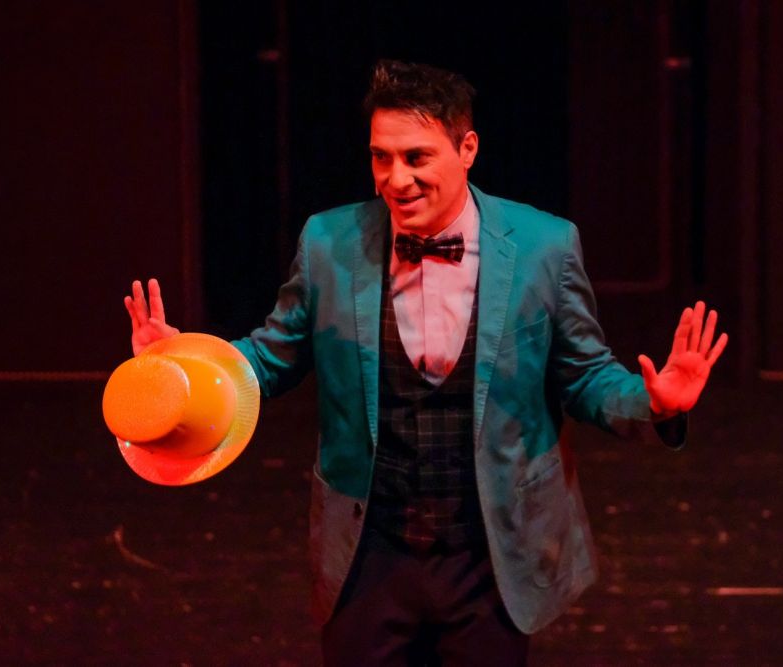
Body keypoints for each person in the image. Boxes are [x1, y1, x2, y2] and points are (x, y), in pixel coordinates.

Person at [123, 59, 727, 665]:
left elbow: (585, 375)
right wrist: (187, 370)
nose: (396, 179)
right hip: (369, 553)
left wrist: (653, 403)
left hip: (490, 553)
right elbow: (270, 356)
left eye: (416, 157)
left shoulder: (544, 246)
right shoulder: (328, 242)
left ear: (467, 149)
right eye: (381, 157)